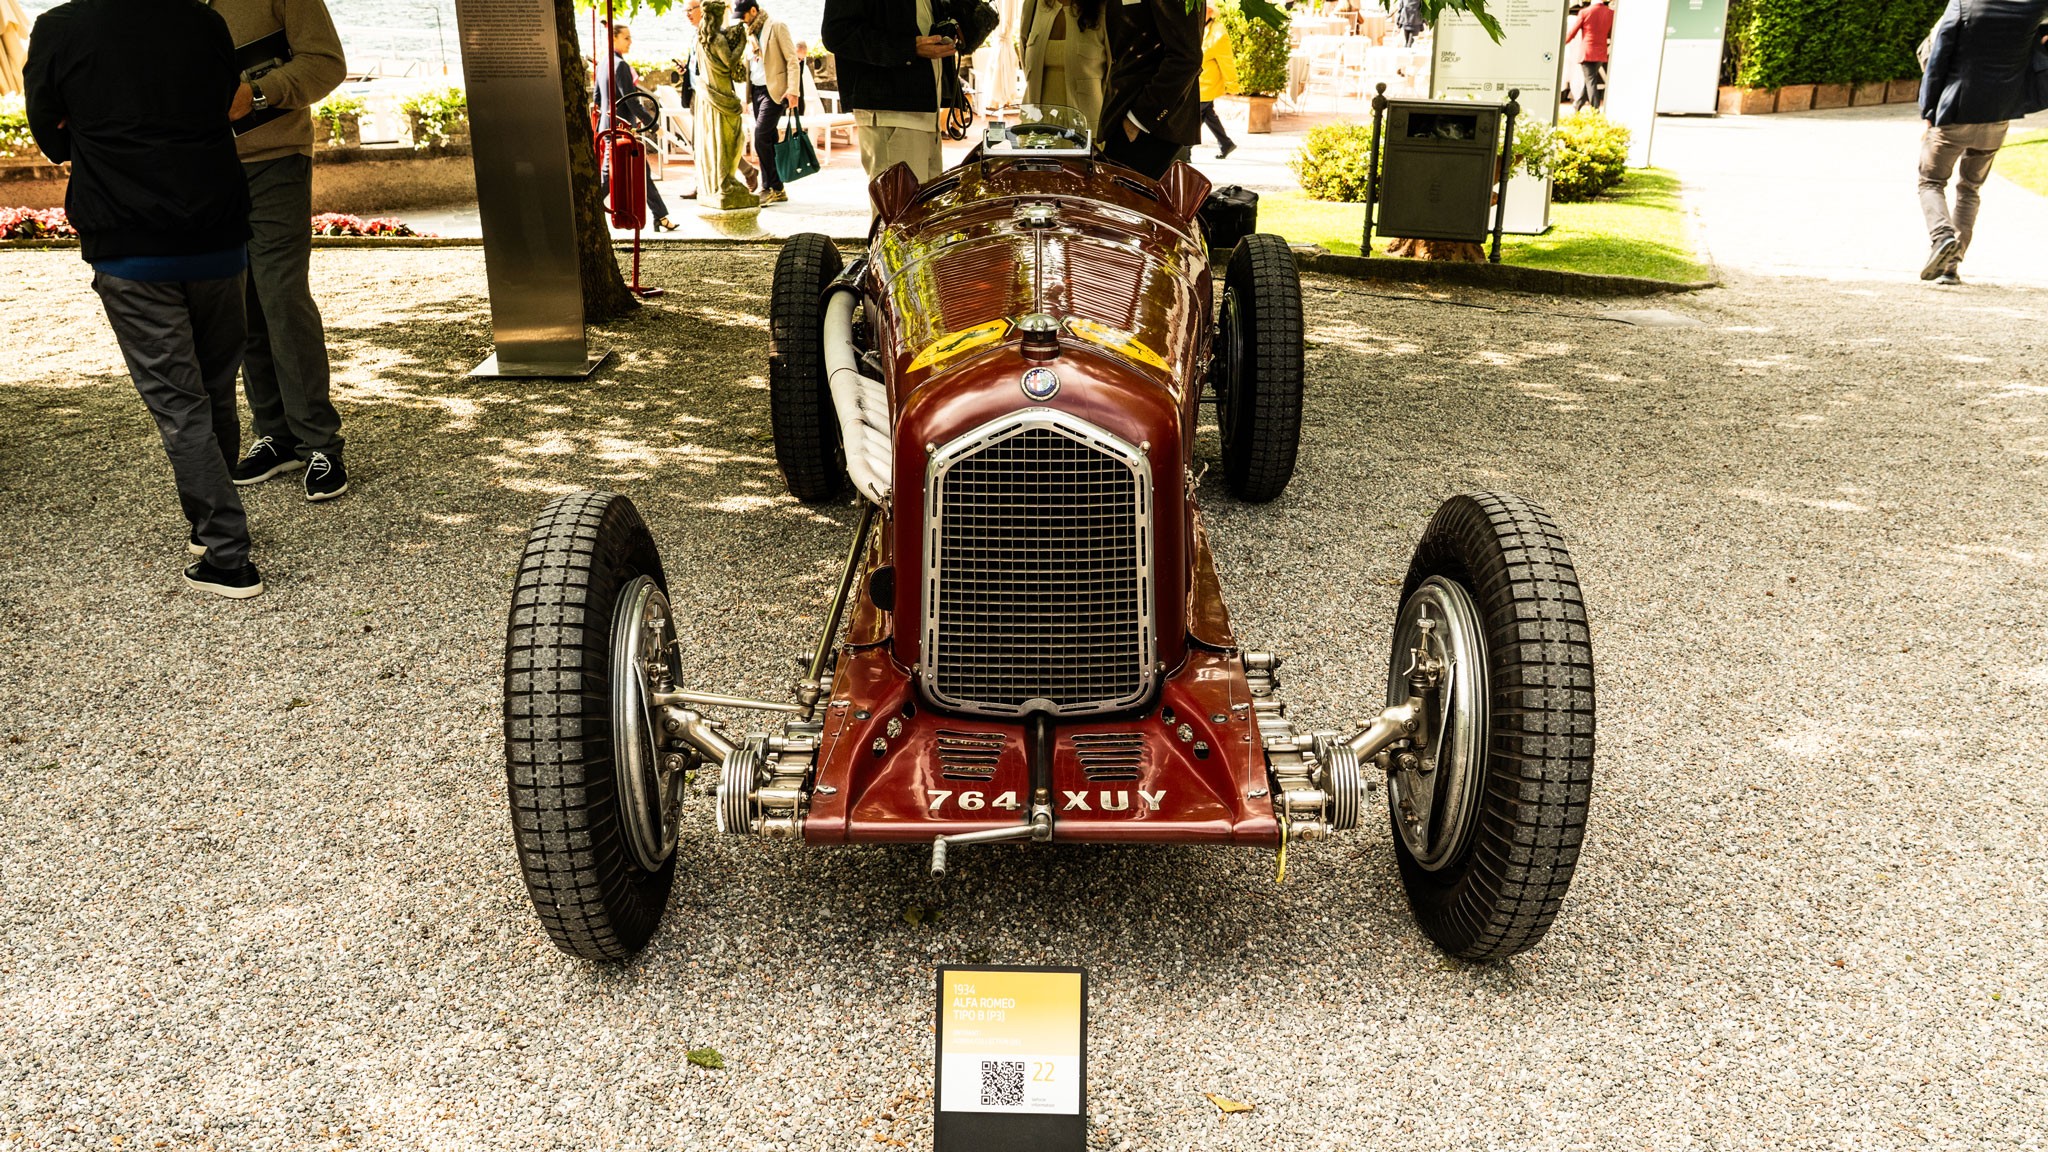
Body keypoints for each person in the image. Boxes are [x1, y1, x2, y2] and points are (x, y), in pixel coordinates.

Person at [24, 0, 263, 598]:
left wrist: (91, 131)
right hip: (217, 232)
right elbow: (225, 105)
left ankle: (228, 554)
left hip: (131, 240)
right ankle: (207, 526)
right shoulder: (202, 20)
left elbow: (48, 134)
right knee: (213, 388)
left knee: (180, 403)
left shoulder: (60, 27)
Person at [206, 0, 350, 503]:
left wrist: (258, 95)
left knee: (281, 295)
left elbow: (327, 63)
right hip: (201, 170)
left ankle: (319, 442)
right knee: (238, 300)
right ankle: (277, 434)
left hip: (276, 160)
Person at [1915, 0, 2048, 284]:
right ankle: (1951, 265)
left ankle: (1942, 238)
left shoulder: (1964, 4)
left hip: (1955, 112)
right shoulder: (2033, 7)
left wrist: (1928, 109)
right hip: (1998, 116)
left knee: (1931, 181)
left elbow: (1938, 57)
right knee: (1970, 188)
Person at [822, 0, 959, 189]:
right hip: (891, 114)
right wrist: (908, 48)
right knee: (899, 213)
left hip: (926, 111)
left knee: (923, 214)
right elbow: (836, 33)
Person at [1099, 0, 1203, 179]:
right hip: (1124, 116)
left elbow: (1187, 57)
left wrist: (1139, 119)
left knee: (1125, 203)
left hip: (1148, 128)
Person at [597, 23, 682, 230]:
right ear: (614, 39)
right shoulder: (620, 66)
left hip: (608, 126)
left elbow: (598, 99)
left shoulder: (602, 64)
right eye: (626, 38)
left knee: (641, 173)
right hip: (621, 129)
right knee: (608, 178)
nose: (630, 41)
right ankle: (586, 209)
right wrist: (653, 125)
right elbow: (631, 101)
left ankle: (660, 216)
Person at [696, 0, 761, 209]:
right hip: (723, 97)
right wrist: (742, 41)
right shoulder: (716, 39)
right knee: (731, 140)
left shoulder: (701, 40)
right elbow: (730, 61)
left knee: (716, 141)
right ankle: (726, 183)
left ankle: (721, 181)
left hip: (709, 97)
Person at [737, 0, 802, 205]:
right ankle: (779, 188)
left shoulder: (776, 27)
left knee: (760, 136)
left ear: (753, 10)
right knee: (770, 138)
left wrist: (793, 90)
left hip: (775, 91)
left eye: (743, 15)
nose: (741, 21)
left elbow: (792, 60)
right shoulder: (749, 34)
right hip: (757, 91)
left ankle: (769, 187)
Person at [1017, 0, 1108, 132]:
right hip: (1035, 128)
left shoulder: (1104, 7)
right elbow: (1026, 60)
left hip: (1086, 130)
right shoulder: (1034, 4)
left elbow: (1114, 70)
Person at [1197, 2, 1237, 159]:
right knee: (1207, 115)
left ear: (1209, 10)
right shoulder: (1202, 27)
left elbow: (1226, 61)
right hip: (1199, 83)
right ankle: (1226, 143)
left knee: (1195, 118)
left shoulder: (1218, 33)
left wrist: (1233, 84)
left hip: (1207, 85)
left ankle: (1184, 151)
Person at [1565, 0, 1611, 111]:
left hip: (1587, 52)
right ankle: (1578, 104)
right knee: (1590, 80)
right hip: (1601, 52)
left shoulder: (1585, 12)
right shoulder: (1610, 13)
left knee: (1590, 81)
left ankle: (1595, 110)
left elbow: (1573, 32)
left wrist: (1562, 43)